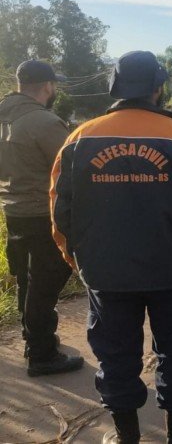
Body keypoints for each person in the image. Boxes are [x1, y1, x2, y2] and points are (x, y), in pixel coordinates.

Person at [50, 51, 172, 444]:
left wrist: (77, 260)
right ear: (158, 89)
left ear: (114, 86)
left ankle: (126, 437)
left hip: (106, 274)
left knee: (115, 357)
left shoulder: (79, 138)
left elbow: (60, 211)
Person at [0, 60, 84, 376]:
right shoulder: (43, 122)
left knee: (27, 278)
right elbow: (74, 168)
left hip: (13, 209)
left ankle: (33, 336)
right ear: (48, 86)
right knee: (45, 283)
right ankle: (41, 353)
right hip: (42, 212)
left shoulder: (4, 113)